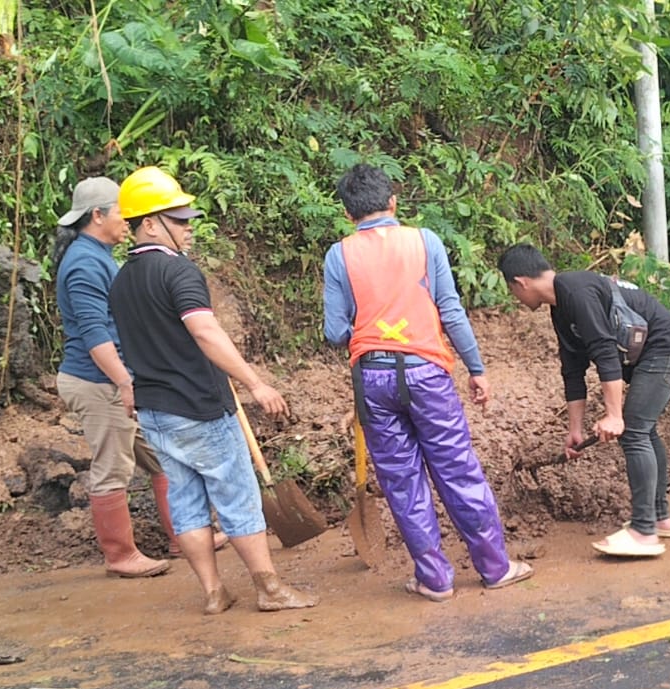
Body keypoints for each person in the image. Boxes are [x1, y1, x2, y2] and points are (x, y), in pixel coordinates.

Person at [107, 166, 316, 615]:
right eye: (179, 220)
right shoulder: (178, 272)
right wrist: (255, 383)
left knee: (185, 501)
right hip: (199, 408)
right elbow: (204, 331)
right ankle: (269, 588)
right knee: (237, 496)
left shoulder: (122, 280)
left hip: (155, 412)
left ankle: (213, 592)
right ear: (149, 223)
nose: (189, 227)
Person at [322, 164, 532, 600]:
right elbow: (450, 310)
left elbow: (335, 331)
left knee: (402, 482)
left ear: (348, 213)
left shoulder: (338, 255)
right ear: (393, 202)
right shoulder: (425, 241)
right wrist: (476, 369)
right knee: (458, 469)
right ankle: (495, 567)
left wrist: (369, 329)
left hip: (373, 379)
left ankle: (434, 579)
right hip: (427, 373)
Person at [497, 244, 670, 557]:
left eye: (512, 291)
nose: (516, 298)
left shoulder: (575, 290)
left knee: (634, 430)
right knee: (643, 429)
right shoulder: (561, 306)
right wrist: (574, 430)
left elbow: (606, 354)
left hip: (668, 346)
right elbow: (573, 370)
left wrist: (614, 415)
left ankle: (644, 531)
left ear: (520, 282)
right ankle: (659, 519)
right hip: (654, 352)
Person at [51, 177, 170, 579]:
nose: (128, 219)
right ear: (97, 215)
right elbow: (94, 335)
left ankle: (182, 534)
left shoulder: (96, 255)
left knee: (161, 455)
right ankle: (120, 556)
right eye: (122, 212)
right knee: (112, 467)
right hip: (98, 382)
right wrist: (124, 382)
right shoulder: (85, 264)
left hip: (113, 378)